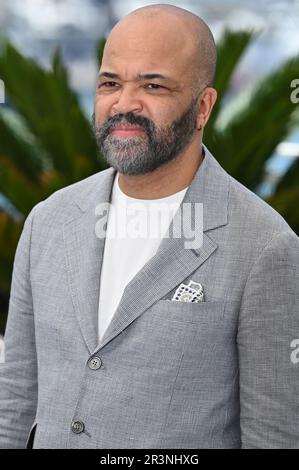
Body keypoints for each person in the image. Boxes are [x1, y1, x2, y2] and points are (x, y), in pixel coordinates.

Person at [0, 4, 298, 449]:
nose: (124, 104)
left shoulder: (265, 247)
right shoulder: (48, 221)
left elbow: (274, 437)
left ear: (203, 107)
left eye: (153, 85)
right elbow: (16, 401)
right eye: (110, 83)